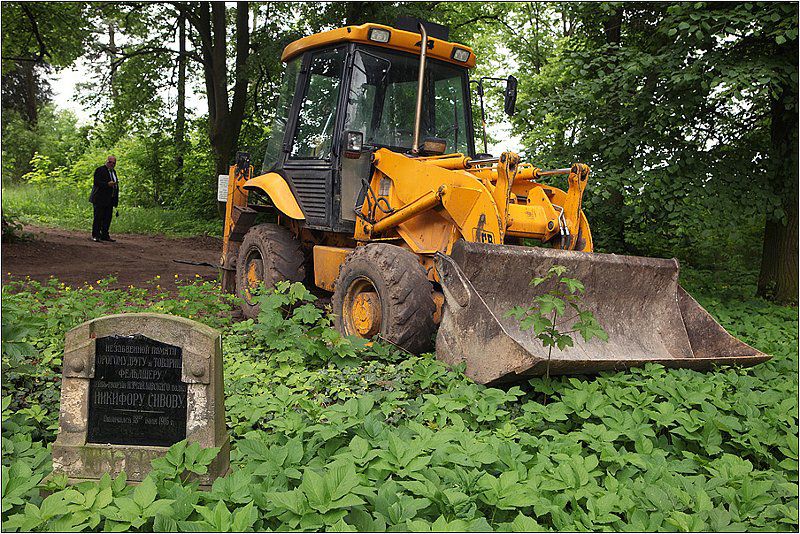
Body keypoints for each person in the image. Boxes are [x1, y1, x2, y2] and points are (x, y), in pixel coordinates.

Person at [90, 155, 119, 242]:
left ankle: (105, 235)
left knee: (107, 218)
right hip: (99, 198)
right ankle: (96, 235)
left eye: (114, 163)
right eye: (110, 162)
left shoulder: (113, 172)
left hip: (110, 199)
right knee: (98, 217)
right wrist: (107, 184)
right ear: (106, 161)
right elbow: (96, 182)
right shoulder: (100, 170)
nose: (112, 164)